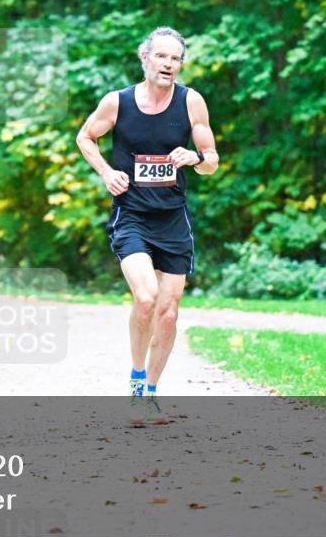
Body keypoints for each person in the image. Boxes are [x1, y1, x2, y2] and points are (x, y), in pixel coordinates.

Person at [75, 26, 219, 422]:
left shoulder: (192, 103)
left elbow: (211, 161)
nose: (169, 64)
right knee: (146, 297)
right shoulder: (117, 102)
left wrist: (194, 158)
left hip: (173, 219)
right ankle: (136, 380)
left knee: (169, 312)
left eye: (176, 58)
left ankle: (151, 391)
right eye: (162, 56)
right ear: (145, 59)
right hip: (132, 214)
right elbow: (85, 137)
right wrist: (106, 171)